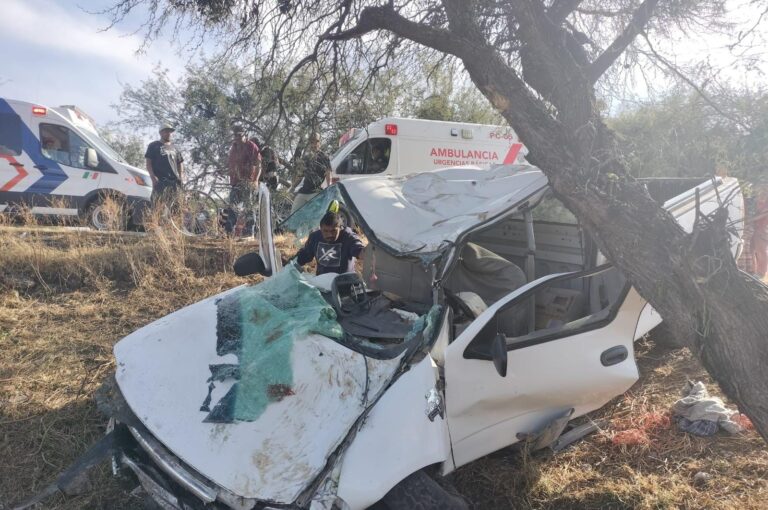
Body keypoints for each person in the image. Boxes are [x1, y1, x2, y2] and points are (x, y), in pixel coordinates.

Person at [294, 211, 365, 275]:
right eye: (326, 231)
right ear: (320, 228)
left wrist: (368, 253)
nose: (330, 235)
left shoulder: (348, 237)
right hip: (323, 283)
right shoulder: (315, 237)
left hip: (345, 282)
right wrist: (289, 265)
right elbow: (303, 256)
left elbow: (359, 249)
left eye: (333, 231)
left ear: (340, 228)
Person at [225, 125, 261, 236]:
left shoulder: (251, 146)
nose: (237, 137)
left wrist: (255, 180)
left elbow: (259, 164)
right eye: (235, 135)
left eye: (239, 135)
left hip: (248, 182)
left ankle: (250, 232)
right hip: (236, 182)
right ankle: (228, 232)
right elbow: (231, 164)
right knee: (232, 205)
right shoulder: (234, 148)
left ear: (245, 135)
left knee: (248, 207)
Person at [291, 132, 331, 214]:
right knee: (294, 214)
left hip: (316, 193)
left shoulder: (324, 157)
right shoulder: (306, 158)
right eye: (312, 142)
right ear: (310, 143)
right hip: (304, 191)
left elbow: (328, 173)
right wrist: (293, 187)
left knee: (314, 217)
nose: (314, 144)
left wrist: (329, 187)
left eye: (317, 141)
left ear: (319, 142)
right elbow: (300, 175)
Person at [145, 123, 184, 205]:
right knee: (157, 207)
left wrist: (181, 178)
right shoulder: (154, 145)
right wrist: (153, 177)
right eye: (166, 131)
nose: (169, 133)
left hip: (174, 182)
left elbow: (180, 164)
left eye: (170, 132)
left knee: (176, 208)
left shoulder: (175, 148)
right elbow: (148, 163)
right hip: (160, 181)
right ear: (161, 133)